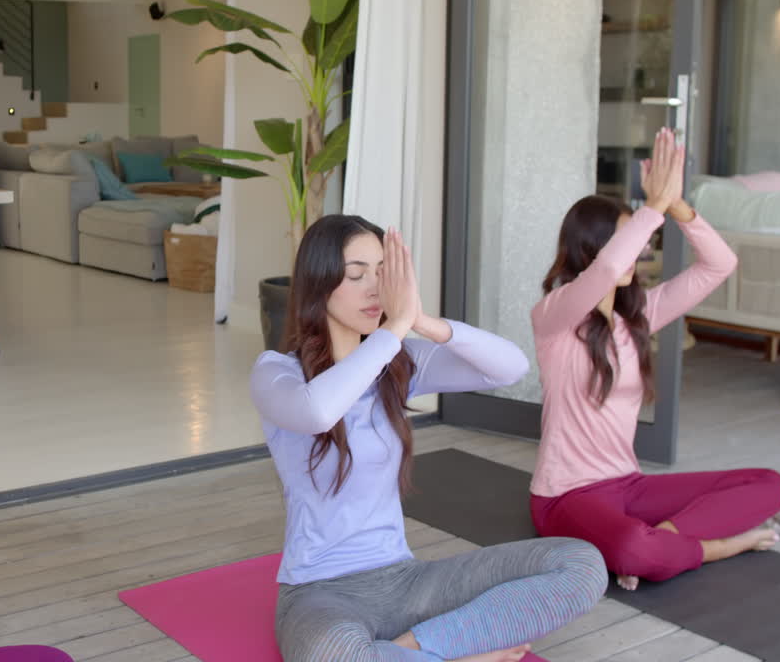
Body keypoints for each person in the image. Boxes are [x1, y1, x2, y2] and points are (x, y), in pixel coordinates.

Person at [251, 215, 607, 662]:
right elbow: (319, 411)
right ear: (318, 284)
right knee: (337, 654)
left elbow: (510, 368)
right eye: (357, 274)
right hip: (319, 595)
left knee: (582, 564)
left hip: (406, 582)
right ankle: (464, 653)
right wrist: (392, 329)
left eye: (383, 273)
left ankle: (417, 648)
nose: (375, 289)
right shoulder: (276, 373)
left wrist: (420, 320)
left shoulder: (398, 366)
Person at [529, 127, 780, 591]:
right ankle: (722, 546)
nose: (639, 250)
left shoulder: (637, 318)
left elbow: (720, 264)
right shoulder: (555, 314)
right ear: (589, 246)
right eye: (626, 238)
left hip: (629, 486)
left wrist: (676, 206)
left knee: (770, 484)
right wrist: (652, 206)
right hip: (565, 496)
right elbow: (609, 268)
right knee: (633, 547)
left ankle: (662, 542)